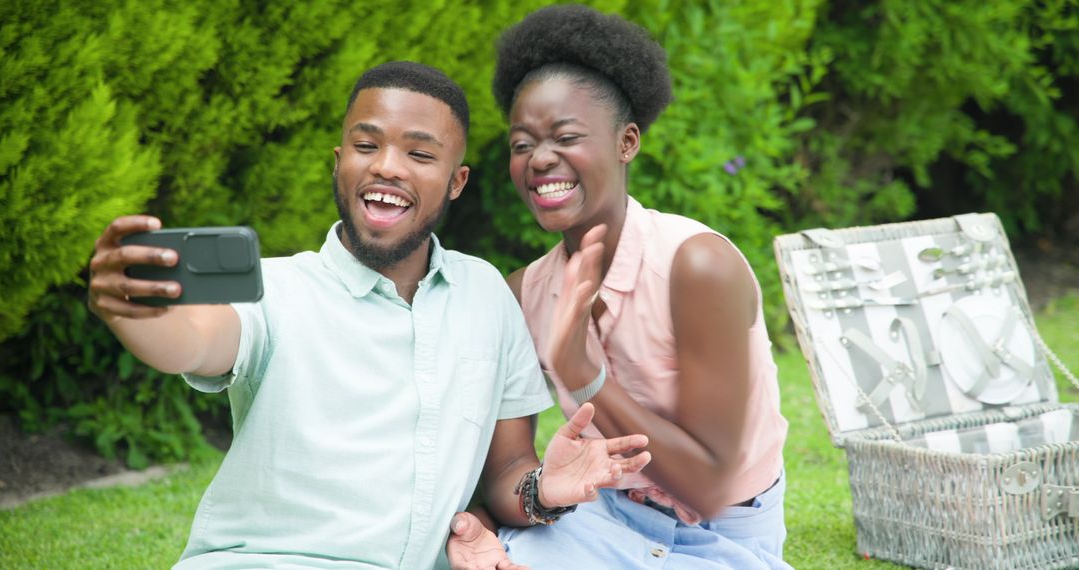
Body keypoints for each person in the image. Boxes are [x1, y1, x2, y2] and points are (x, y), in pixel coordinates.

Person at [87, 60, 651, 569]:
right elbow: (194, 338)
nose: (387, 167)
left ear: (456, 182)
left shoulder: (485, 294)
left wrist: (543, 489)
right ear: (339, 164)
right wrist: (135, 314)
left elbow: (506, 474)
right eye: (366, 146)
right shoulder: (278, 289)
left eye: (420, 154)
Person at [447, 5, 791, 569]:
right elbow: (508, 473)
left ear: (627, 141)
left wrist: (584, 375)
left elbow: (707, 488)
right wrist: (482, 526)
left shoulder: (697, 267)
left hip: (723, 532)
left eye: (566, 136)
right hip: (601, 516)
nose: (540, 159)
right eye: (521, 143)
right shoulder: (523, 294)